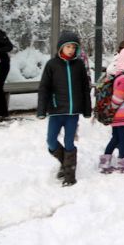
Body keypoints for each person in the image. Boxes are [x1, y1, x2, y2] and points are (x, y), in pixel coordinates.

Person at [37, 31, 91, 186]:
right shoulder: (52, 65)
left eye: (74, 47)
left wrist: (87, 109)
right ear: (61, 47)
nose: (71, 50)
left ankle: (69, 176)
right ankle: (64, 163)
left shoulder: (79, 65)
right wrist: (41, 110)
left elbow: (85, 88)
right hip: (56, 111)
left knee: (69, 142)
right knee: (51, 141)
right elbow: (44, 88)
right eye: (68, 46)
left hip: (72, 113)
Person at [99, 47, 124, 173]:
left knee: (116, 138)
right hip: (122, 115)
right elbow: (118, 97)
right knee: (123, 139)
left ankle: (105, 163)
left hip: (117, 115)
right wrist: (113, 108)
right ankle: (122, 163)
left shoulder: (119, 76)